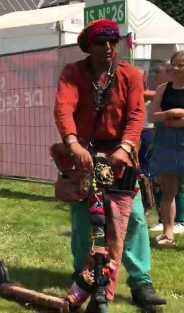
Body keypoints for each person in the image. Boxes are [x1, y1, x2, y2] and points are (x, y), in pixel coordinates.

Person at [54, 19, 165, 310]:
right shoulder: (72, 73)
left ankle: (141, 283)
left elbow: (136, 114)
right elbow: (64, 107)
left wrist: (126, 147)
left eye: (112, 42)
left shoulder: (131, 74)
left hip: (121, 156)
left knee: (135, 220)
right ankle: (82, 274)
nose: (108, 47)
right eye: (101, 43)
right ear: (88, 47)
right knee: (82, 220)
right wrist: (73, 143)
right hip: (84, 156)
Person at [142, 62, 184, 234]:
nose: (174, 69)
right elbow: (151, 115)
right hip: (166, 141)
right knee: (168, 189)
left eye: (179, 65)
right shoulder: (163, 89)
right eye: (172, 65)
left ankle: (179, 222)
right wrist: (170, 115)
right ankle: (168, 233)